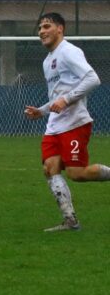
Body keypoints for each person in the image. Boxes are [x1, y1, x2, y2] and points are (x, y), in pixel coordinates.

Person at [25, 12, 110, 232]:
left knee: (77, 173)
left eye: (46, 26)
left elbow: (93, 79)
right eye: (40, 28)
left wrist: (67, 99)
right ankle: (70, 221)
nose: (41, 31)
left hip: (74, 123)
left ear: (60, 28)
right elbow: (57, 95)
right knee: (49, 168)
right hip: (54, 125)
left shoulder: (69, 52)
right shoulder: (47, 61)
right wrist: (42, 111)